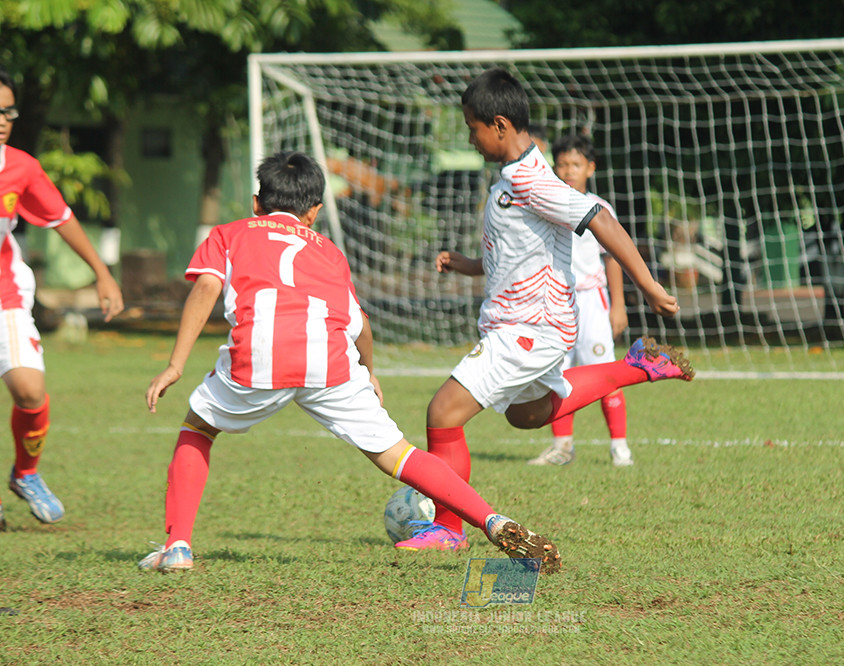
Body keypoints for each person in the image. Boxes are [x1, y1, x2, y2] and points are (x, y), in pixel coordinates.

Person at [139, 151, 560, 573]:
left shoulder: (228, 234)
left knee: (198, 427)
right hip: (331, 362)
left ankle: (177, 546)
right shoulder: (329, 253)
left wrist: (176, 364)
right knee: (399, 454)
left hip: (260, 355)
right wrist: (369, 372)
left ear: (256, 204)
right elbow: (361, 326)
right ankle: (492, 519)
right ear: (315, 212)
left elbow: (205, 289)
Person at [394, 68, 694, 553]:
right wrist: (467, 264)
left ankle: (448, 529)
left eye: (472, 129)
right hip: (532, 327)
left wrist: (649, 285)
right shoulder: (512, 178)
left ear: (498, 125)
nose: (470, 140)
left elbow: (598, 217)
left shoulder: (531, 179)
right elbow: (512, 259)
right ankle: (637, 367)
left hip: (527, 330)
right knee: (527, 415)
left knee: (442, 413)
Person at [0, 67, 124, 531]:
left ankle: (25, 473)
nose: (2, 119)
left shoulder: (20, 167)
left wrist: (102, 275)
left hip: (5, 293)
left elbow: (61, 219)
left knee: (30, 391)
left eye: (8, 110)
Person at [526, 133, 632, 467]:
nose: (568, 170)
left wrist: (618, 304)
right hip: (556, 302)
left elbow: (612, 256)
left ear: (590, 168)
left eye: (576, 164)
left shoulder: (600, 207)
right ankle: (562, 447)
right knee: (556, 373)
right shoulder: (548, 205)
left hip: (591, 301)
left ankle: (619, 447)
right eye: (562, 164)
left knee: (604, 373)